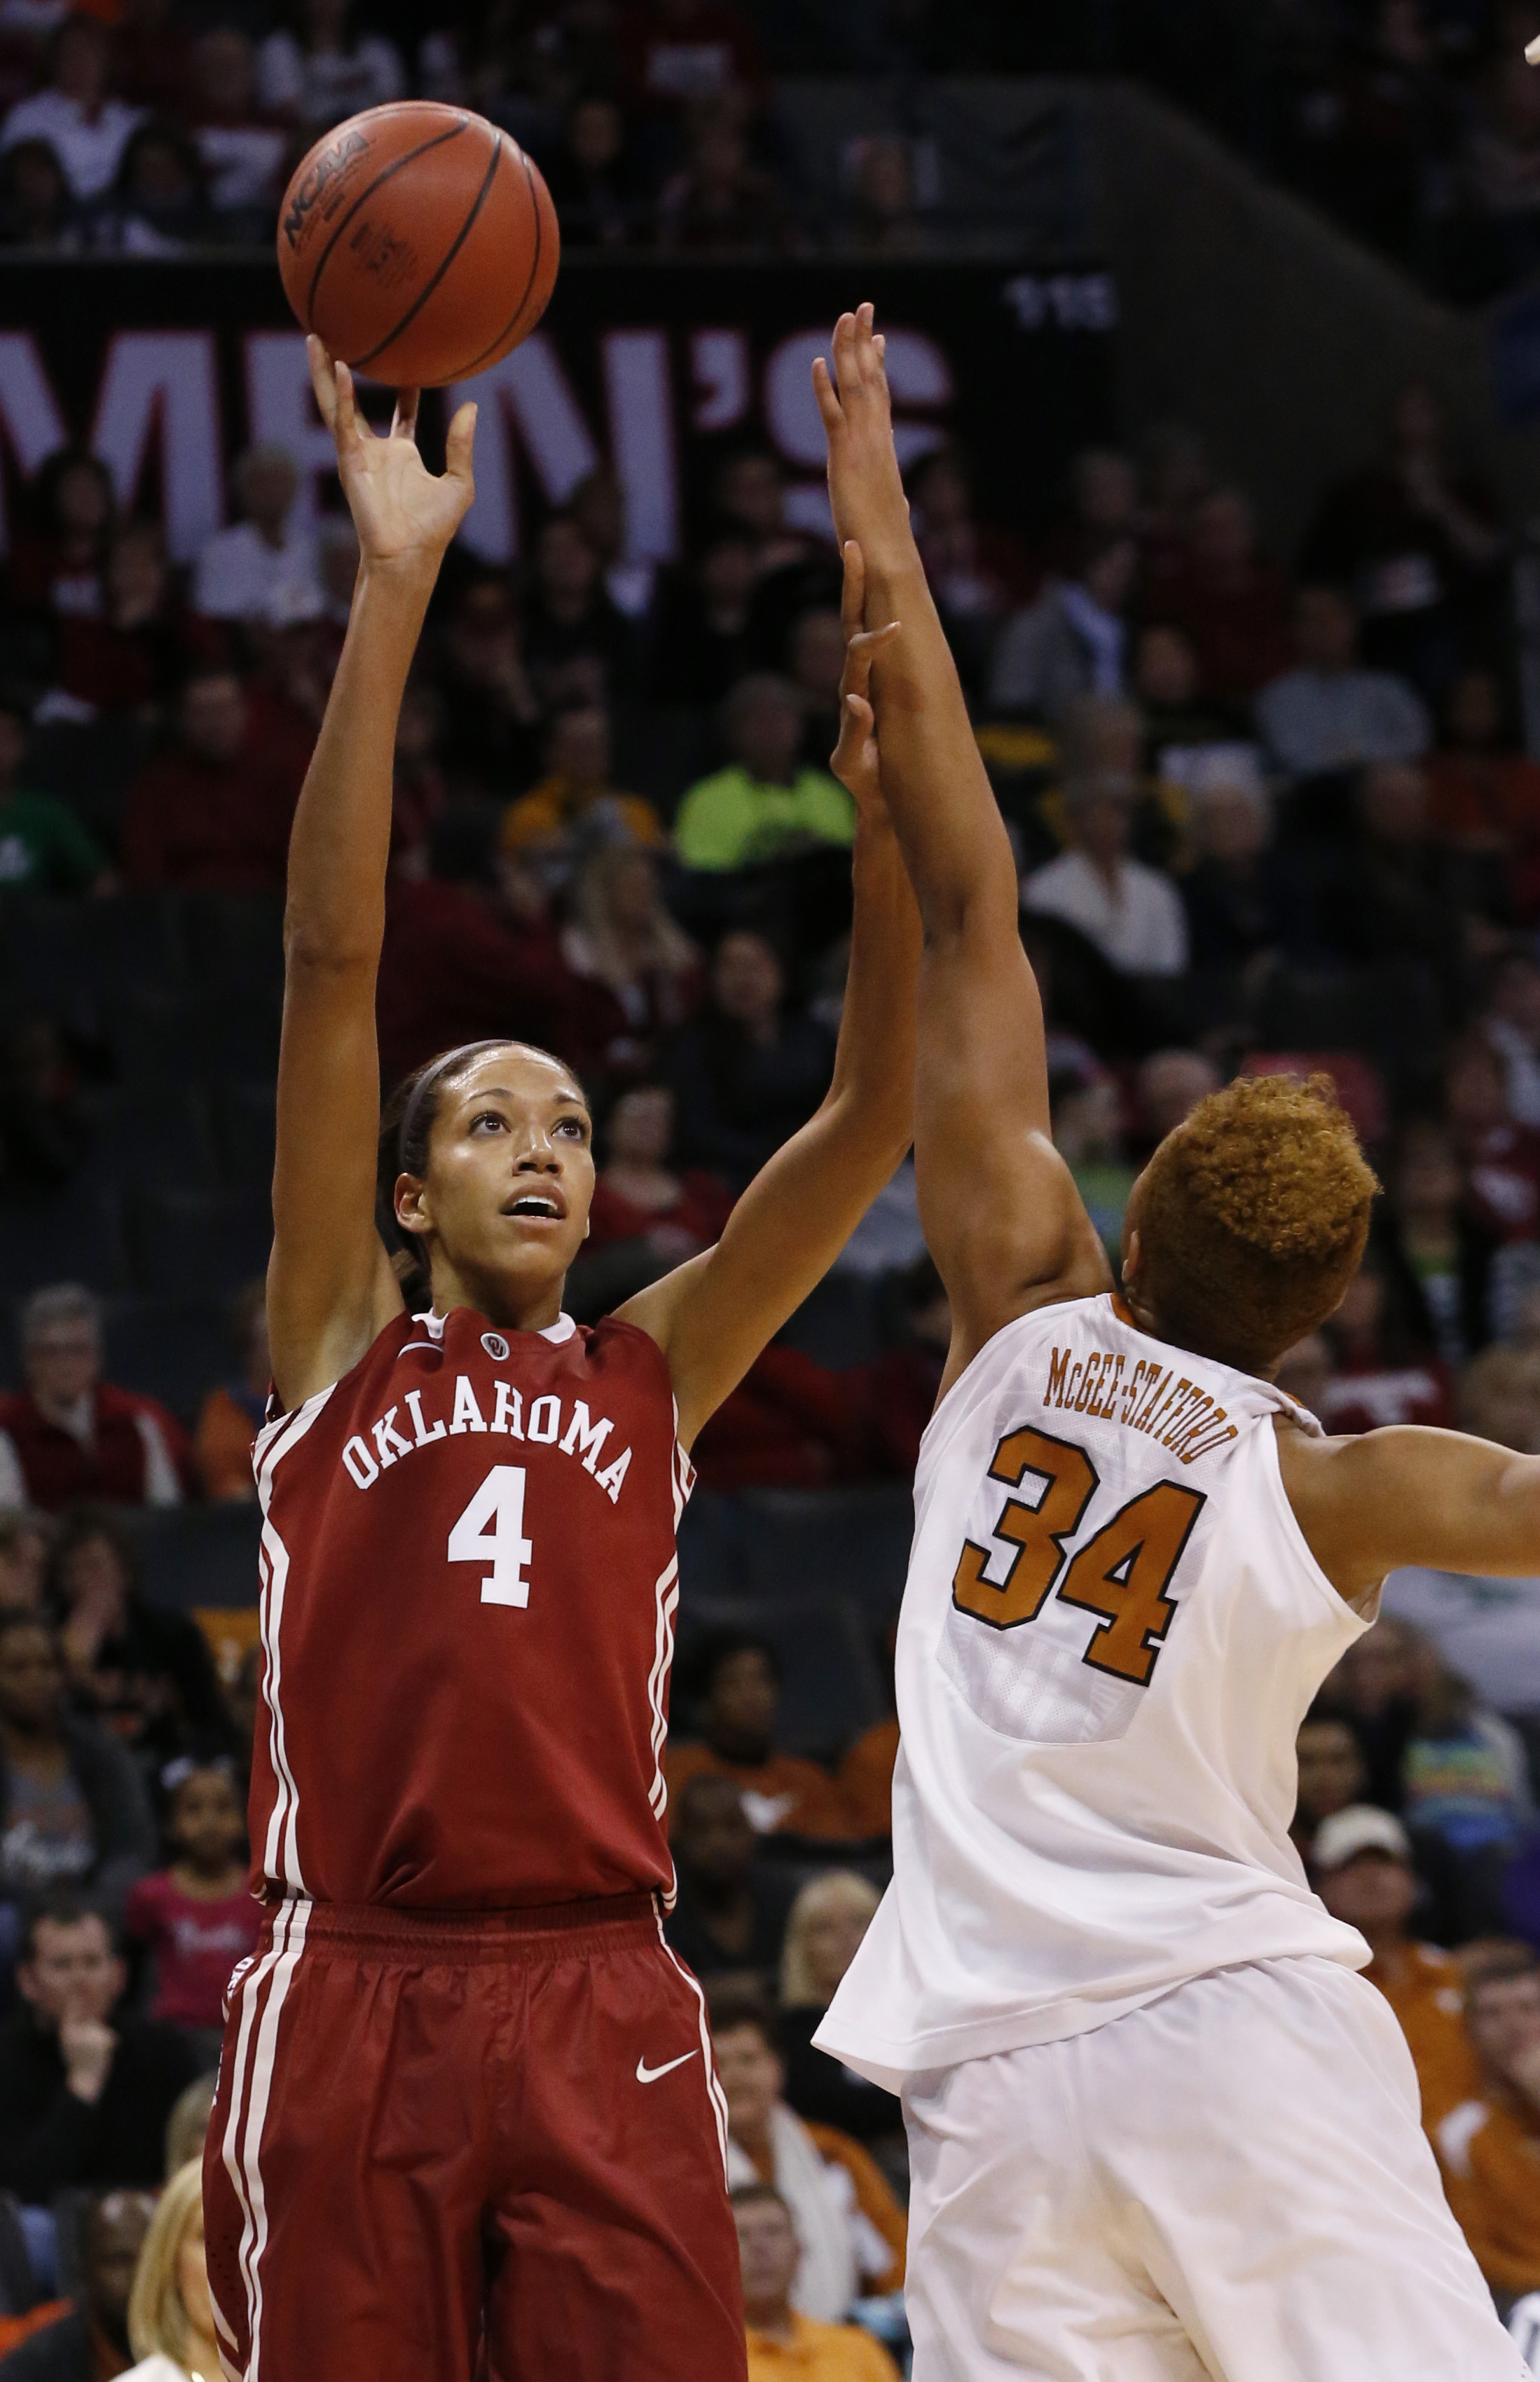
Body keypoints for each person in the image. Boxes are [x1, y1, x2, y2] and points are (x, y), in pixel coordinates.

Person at [809, 301, 1531, 2382]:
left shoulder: (1014, 1292)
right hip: (1233, 2036)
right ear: (1327, 1313)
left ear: (1139, 1202)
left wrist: (882, 532)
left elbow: (968, 897)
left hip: (988, 2090)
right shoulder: (1333, 1474)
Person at [198, 334, 921, 2382]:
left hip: (604, 1980)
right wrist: (394, 588)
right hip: (364, 1979)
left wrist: (880, 834)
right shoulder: (338, 1340)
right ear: (408, 1189)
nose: (545, 1144)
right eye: (494, 1120)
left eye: (574, 1123)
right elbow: (332, 959)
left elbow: (866, 1117)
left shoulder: (645, 1369)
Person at [712, 1987, 905, 2320]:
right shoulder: (686, 2170)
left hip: (836, 2348)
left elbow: (893, 2263)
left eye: (748, 2059)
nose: (736, 2077)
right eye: (719, 2064)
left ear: (778, 2067)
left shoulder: (831, 2154)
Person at [0, 1895, 198, 2204]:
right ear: (28, 1981)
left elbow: (187, 2171)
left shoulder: (164, 2051)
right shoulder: (8, 2058)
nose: (80, 1980)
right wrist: (82, 2085)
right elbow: (19, 2191)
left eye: (92, 1963)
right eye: (61, 1965)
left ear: (119, 1975)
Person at [1312, 1804, 1483, 2128]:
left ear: (1412, 1881)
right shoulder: (1314, 1985)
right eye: (1350, 1865)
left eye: (1385, 1862)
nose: (1371, 1876)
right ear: (1321, 1886)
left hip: (1472, 2166)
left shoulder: (1454, 1974)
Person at [45, 1512, 232, 1770]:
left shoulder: (172, 1634)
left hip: (165, 1768)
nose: (84, 1582)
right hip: (88, 1774)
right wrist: (73, 1665)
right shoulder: (49, 1640)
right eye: (72, 1572)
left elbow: (210, 1722)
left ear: (123, 1571)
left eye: (94, 1566)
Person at [0, 1613, 156, 1922]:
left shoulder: (100, 1751)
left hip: (93, 1914)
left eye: (47, 1666)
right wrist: (43, 1912)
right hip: (14, 1913)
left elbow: (132, 1848)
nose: (36, 1678)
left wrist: (92, 1909)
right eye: (18, 1667)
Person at [665, 931, 837, 1191]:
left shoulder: (815, 1037)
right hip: (738, 1182)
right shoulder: (693, 1047)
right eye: (729, 966)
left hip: (823, 1168)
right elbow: (698, 1134)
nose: (743, 979)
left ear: (781, 971)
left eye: (755, 965)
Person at [0, 1289, 192, 1514]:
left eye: (78, 1350)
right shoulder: (8, 1430)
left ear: (96, 1357)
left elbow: (168, 1514)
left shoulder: (134, 1421)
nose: (66, 1363)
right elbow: (11, 1527)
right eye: (52, 1352)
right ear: (31, 1361)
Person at [120, 666, 304, 894]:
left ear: (245, 711)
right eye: (203, 712)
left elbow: (307, 859)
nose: (215, 724)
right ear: (183, 719)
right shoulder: (157, 785)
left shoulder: (278, 773)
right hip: (185, 917)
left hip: (269, 913)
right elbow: (145, 873)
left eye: (225, 710)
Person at [666, 1632, 853, 1838]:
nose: (751, 1696)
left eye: (761, 1680)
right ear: (705, 1702)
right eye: (733, 1683)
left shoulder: (811, 1781)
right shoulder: (675, 1775)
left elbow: (842, 1859)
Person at [1432, 1945, 1540, 2301]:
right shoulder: (1457, 2134)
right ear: (1469, 2029)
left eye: (1529, 2008)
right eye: (1492, 2014)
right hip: (1517, 2303)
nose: (1515, 2025)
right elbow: (1475, 2255)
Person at [123, 1762, 256, 2041]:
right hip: (174, 2038)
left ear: (244, 1820)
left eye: (223, 1808)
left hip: (243, 2033)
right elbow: (130, 1972)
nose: (210, 1822)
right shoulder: (151, 1896)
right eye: (194, 1809)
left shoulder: (261, 1895)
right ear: (171, 1823)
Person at [675, 676, 856, 872]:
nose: (771, 729)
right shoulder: (706, 800)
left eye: (781, 717)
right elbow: (701, 880)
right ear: (734, 730)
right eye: (759, 719)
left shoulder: (830, 796)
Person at [1022, 774, 1189, 978]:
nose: (1107, 824)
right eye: (1096, 813)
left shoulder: (1157, 888)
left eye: (1116, 813)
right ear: (1076, 820)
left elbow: (1171, 965)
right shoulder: (1044, 888)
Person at [777, 1873, 901, 2147]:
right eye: (824, 1929)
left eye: (859, 1922)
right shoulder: (788, 2035)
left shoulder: (914, 2016)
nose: (846, 1939)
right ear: (801, 1948)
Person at [1255, 584, 1429, 778]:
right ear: (1295, 630)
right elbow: (1291, 757)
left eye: (1331, 616)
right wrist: (1353, 757)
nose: (1323, 627)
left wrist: (1356, 755)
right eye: (1311, 619)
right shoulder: (1278, 697)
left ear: (1352, 623)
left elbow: (1416, 742)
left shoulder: (1389, 687)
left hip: (1386, 785)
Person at [733, 2184, 900, 2382]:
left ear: (798, 2252)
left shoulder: (859, 2349)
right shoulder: (711, 2362)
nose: (759, 2247)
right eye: (742, 2235)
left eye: (773, 2231)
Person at [0, 2189, 154, 2382]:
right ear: (85, 2271)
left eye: (151, 2260)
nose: (139, 2276)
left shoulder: (193, 2347)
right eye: (120, 2261)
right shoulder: (31, 2370)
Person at [663, 1773, 798, 1985]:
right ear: (678, 1842)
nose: (719, 1843)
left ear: (752, 1833)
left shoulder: (784, 1897)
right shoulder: (661, 1912)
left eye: (732, 1826)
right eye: (701, 1830)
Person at [987, 532, 1137, 722]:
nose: (1122, 581)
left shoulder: (1125, 629)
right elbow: (1011, 696)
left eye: (1128, 572)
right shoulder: (1039, 623)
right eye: (1115, 568)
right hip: (1047, 738)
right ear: (1091, 567)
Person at [500, 704, 664, 870]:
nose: (588, 756)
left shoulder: (637, 812)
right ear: (550, 752)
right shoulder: (525, 817)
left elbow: (656, 862)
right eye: (578, 747)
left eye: (596, 746)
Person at [0, 17, 142, 205]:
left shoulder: (127, 119)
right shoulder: (26, 119)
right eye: (71, 53)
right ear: (53, 60)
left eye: (89, 53)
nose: (80, 62)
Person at [586, 1085, 733, 1264]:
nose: (646, 1128)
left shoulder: (702, 1189)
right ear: (609, 1124)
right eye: (637, 1117)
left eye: (658, 1120)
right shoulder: (588, 1196)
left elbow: (736, 1241)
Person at [191, 446, 321, 630]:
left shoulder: (312, 548)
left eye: (281, 484)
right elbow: (213, 614)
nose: (273, 493)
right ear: (243, 492)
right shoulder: (220, 552)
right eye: (264, 485)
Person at [0, 699, 109, 896]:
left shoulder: (45, 813)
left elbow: (100, 880)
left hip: (30, 923)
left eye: (7, 736)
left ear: (22, 745)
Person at [193, 1285, 268, 1505]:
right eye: (272, 1338)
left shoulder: (328, 1399)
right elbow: (236, 1499)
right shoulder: (225, 1411)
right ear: (249, 1349)